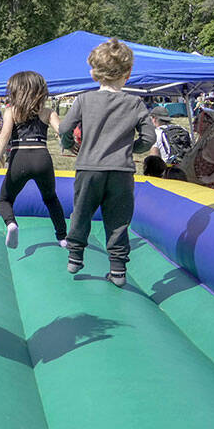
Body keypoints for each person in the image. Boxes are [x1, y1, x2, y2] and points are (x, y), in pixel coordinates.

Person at [58, 38, 156, 289]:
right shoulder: (134, 103)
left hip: (89, 167)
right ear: (128, 73)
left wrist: (71, 144)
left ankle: (75, 255)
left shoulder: (84, 100)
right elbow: (149, 138)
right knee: (118, 219)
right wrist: (133, 148)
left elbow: (66, 128)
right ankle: (118, 268)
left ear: (94, 73)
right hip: (121, 170)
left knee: (81, 211)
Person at [0, 71, 67, 249]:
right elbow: (62, 131)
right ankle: (62, 237)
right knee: (51, 199)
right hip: (42, 159)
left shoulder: (12, 111)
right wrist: (70, 143)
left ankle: (11, 224)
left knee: (5, 200)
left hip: (19, 158)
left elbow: (4, 135)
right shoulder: (48, 112)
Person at [183, 107, 214, 190]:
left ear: (209, 123)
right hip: (201, 188)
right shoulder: (203, 139)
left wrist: (210, 179)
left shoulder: (213, 140)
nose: (193, 123)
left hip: (212, 190)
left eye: (197, 121)